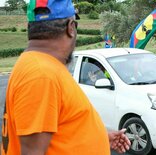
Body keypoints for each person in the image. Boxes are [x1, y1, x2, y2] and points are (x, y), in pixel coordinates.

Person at [1, 0, 130, 155]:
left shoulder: (40, 66)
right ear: (70, 28)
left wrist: (99, 138)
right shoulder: (41, 75)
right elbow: (32, 152)